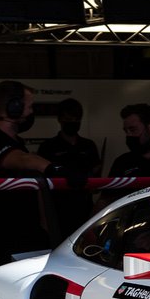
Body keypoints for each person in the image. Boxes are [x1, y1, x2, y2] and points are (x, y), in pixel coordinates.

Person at [0, 80, 79, 267]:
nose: (31, 112)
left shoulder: (17, 142)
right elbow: (21, 159)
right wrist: (55, 169)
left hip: (27, 240)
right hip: (2, 243)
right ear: (14, 107)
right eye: (29, 106)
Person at [38, 98, 101, 237]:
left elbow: (96, 180)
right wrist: (44, 220)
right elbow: (41, 186)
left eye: (76, 119)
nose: (73, 122)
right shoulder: (48, 147)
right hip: (57, 212)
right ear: (60, 119)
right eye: (68, 118)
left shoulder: (88, 146)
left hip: (85, 211)